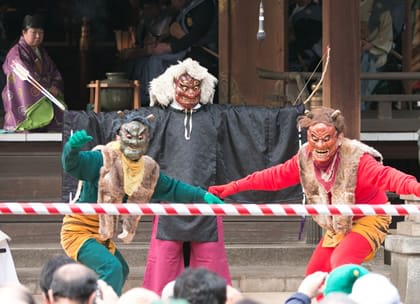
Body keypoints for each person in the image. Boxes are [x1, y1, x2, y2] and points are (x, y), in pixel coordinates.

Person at [209, 107, 420, 289]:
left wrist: (417, 188)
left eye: (326, 139)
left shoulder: (357, 158)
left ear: (338, 138)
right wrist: (232, 187)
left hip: (368, 217)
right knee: (314, 275)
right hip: (337, 222)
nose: (319, 145)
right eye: (314, 139)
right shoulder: (305, 157)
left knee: (341, 263)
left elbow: (390, 177)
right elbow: (273, 177)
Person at [60, 111, 224, 296]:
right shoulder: (102, 158)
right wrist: (71, 149)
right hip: (79, 232)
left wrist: (203, 196)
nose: (135, 142)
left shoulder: (146, 170)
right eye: (129, 136)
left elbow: (173, 188)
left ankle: (94, 298)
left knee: (121, 269)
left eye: (141, 137)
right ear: (118, 136)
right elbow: (73, 166)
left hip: (102, 236)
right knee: (112, 268)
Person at [142, 58, 231, 295]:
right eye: (184, 87)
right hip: (168, 201)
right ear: (172, 87)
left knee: (211, 261)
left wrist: (290, 115)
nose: (190, 92)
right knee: (164, 261)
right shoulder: (158, 117)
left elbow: (253, 122)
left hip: (207, 199)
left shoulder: (216, 115)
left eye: (195, 87)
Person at [120, 0, 217, 105]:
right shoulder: (184, 9)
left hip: (202, 52)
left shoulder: (204, 5)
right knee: (143, 62)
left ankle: (159, 99)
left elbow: (195, 36)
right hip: (183, 49)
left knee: (156, 61)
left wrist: (169, 47)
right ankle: (144, 97)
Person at [1, 14, 65, 132]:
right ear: (24, 32)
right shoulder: (16, 53)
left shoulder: (42, 52)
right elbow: (26, 76)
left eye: (41, 33)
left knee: (62, 109)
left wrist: (55, 86)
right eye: (34, 32)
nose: (38, 36)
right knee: (41, 109)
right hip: (25, 98)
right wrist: (47, 88)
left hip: (46, 93)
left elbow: (54, 71)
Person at [360, 0, 393, 110]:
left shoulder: (381, 9)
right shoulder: (346, 6)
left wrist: (371, 45)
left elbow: (386, 35)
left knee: (366, 64)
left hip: (374, 53)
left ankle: (361, 105)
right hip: (352, 50)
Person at [288, 0, 322, 72]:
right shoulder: (290, 8)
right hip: (290, 51)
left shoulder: (315, 10)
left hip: (310, 54)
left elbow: (313, 36)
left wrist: (294, 37)